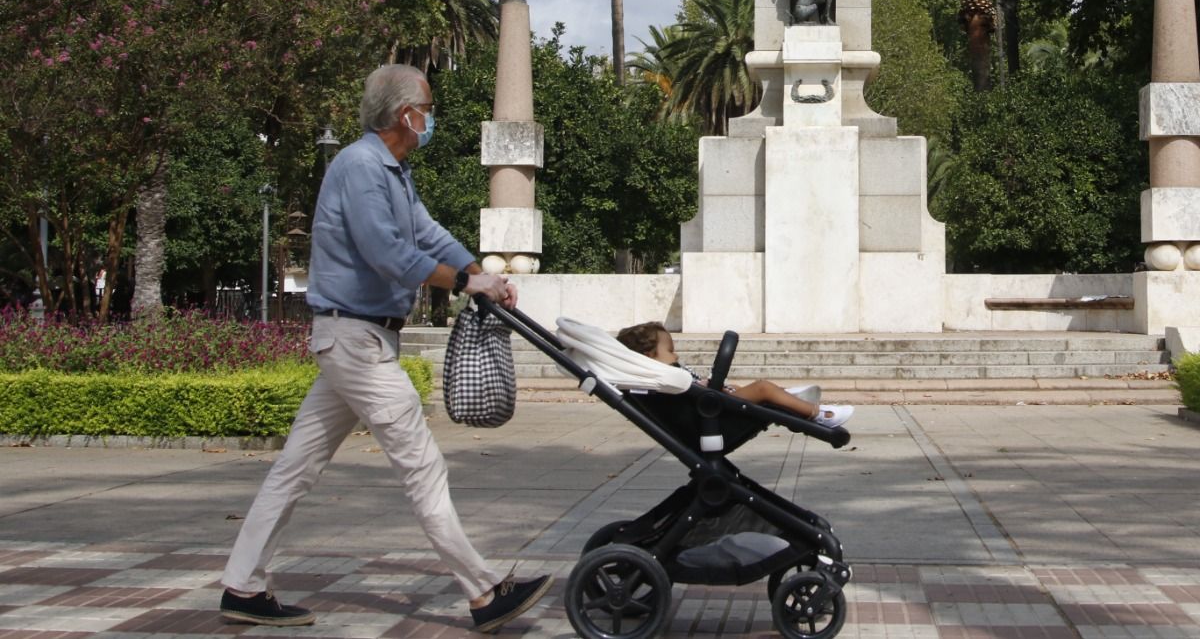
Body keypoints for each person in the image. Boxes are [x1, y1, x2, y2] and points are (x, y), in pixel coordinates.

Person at [219, 64, 552, 634]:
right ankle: (482, 591)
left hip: (359, 339)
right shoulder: (359, 167)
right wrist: (466, 283)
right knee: (423, 466)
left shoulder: (394, 172)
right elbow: (389, 253)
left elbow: (425, 231)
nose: (430, 119)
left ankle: (242, 584)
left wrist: (477, 267)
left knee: (294, 469)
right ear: (405, 114)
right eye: (427, 108)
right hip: (356, 341)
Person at [616, 321, 852, 428]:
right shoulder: (663, 376)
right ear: (649, 355)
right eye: (670, 351)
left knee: (742, 389)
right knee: (763, 387)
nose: (676, 356)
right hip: (709, 412)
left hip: (709, 403)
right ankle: (818, 414)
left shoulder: (663, 375)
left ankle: (788, 399)